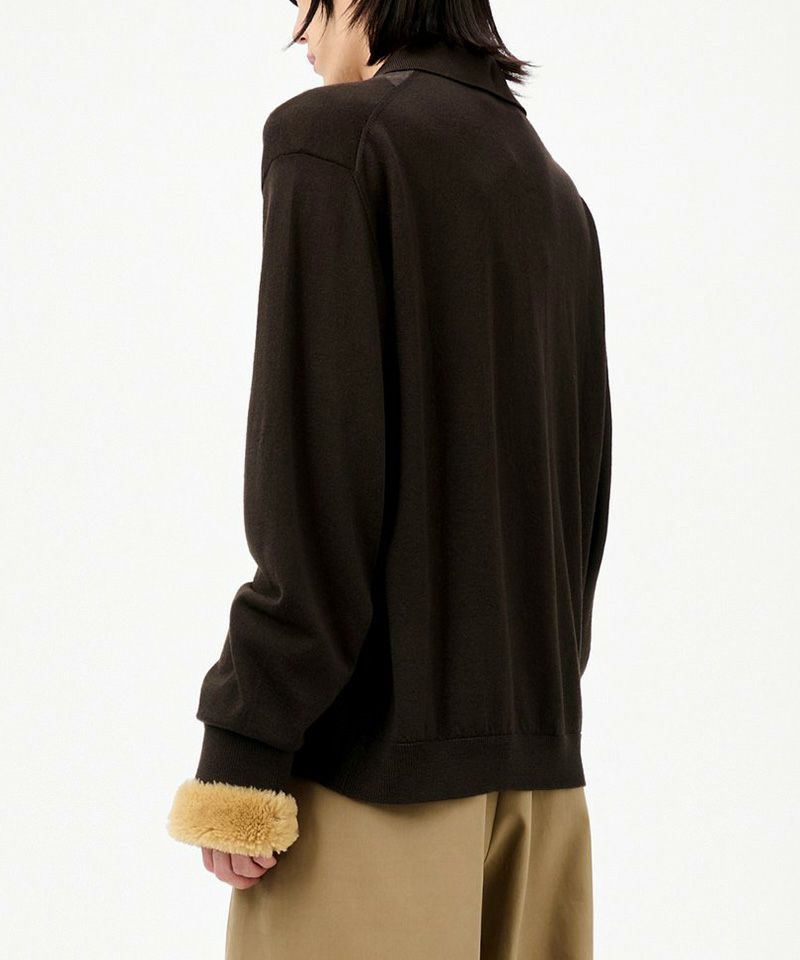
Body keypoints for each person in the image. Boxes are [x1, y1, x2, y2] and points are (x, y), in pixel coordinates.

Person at [166, 0, 612, 956]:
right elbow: (580, 508)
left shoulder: (337, 140)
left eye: (305, 9)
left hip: (373, 789)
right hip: (541, 794)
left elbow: (318, 474)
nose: (305, 40)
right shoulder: (556, 195)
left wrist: (246, 739)